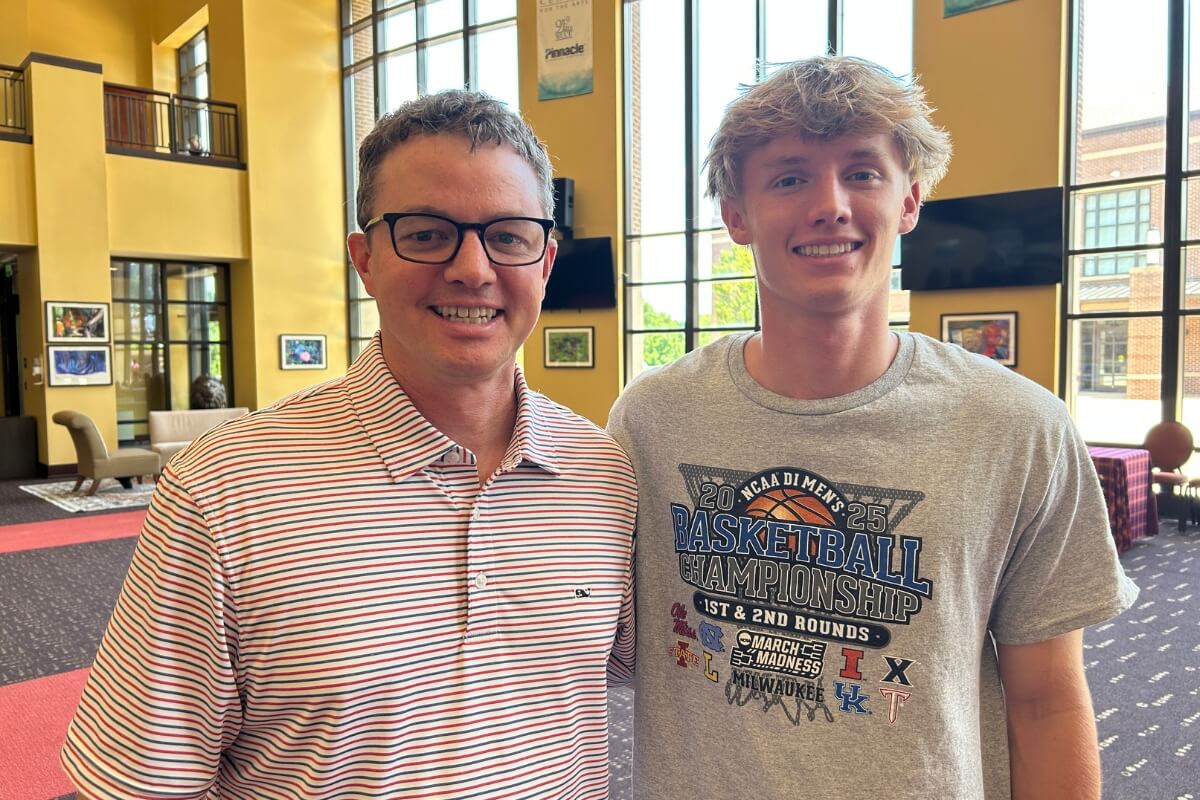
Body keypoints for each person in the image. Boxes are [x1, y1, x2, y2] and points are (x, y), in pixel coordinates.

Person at [61, 90, 636, 798]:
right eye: (427, 233)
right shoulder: (224, 491)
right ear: (365, 259)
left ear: (545, 261)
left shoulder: (603, 473)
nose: (472, 269)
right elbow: (140, 782)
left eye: (508, 236)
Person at [606, 56, 1136, 800]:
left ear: (910, 199)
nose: (831, 204)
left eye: (862, 172)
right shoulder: (651, 419)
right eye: (789, 178)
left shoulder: (1019, 428)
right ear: (736, 216)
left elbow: (1047, 700)